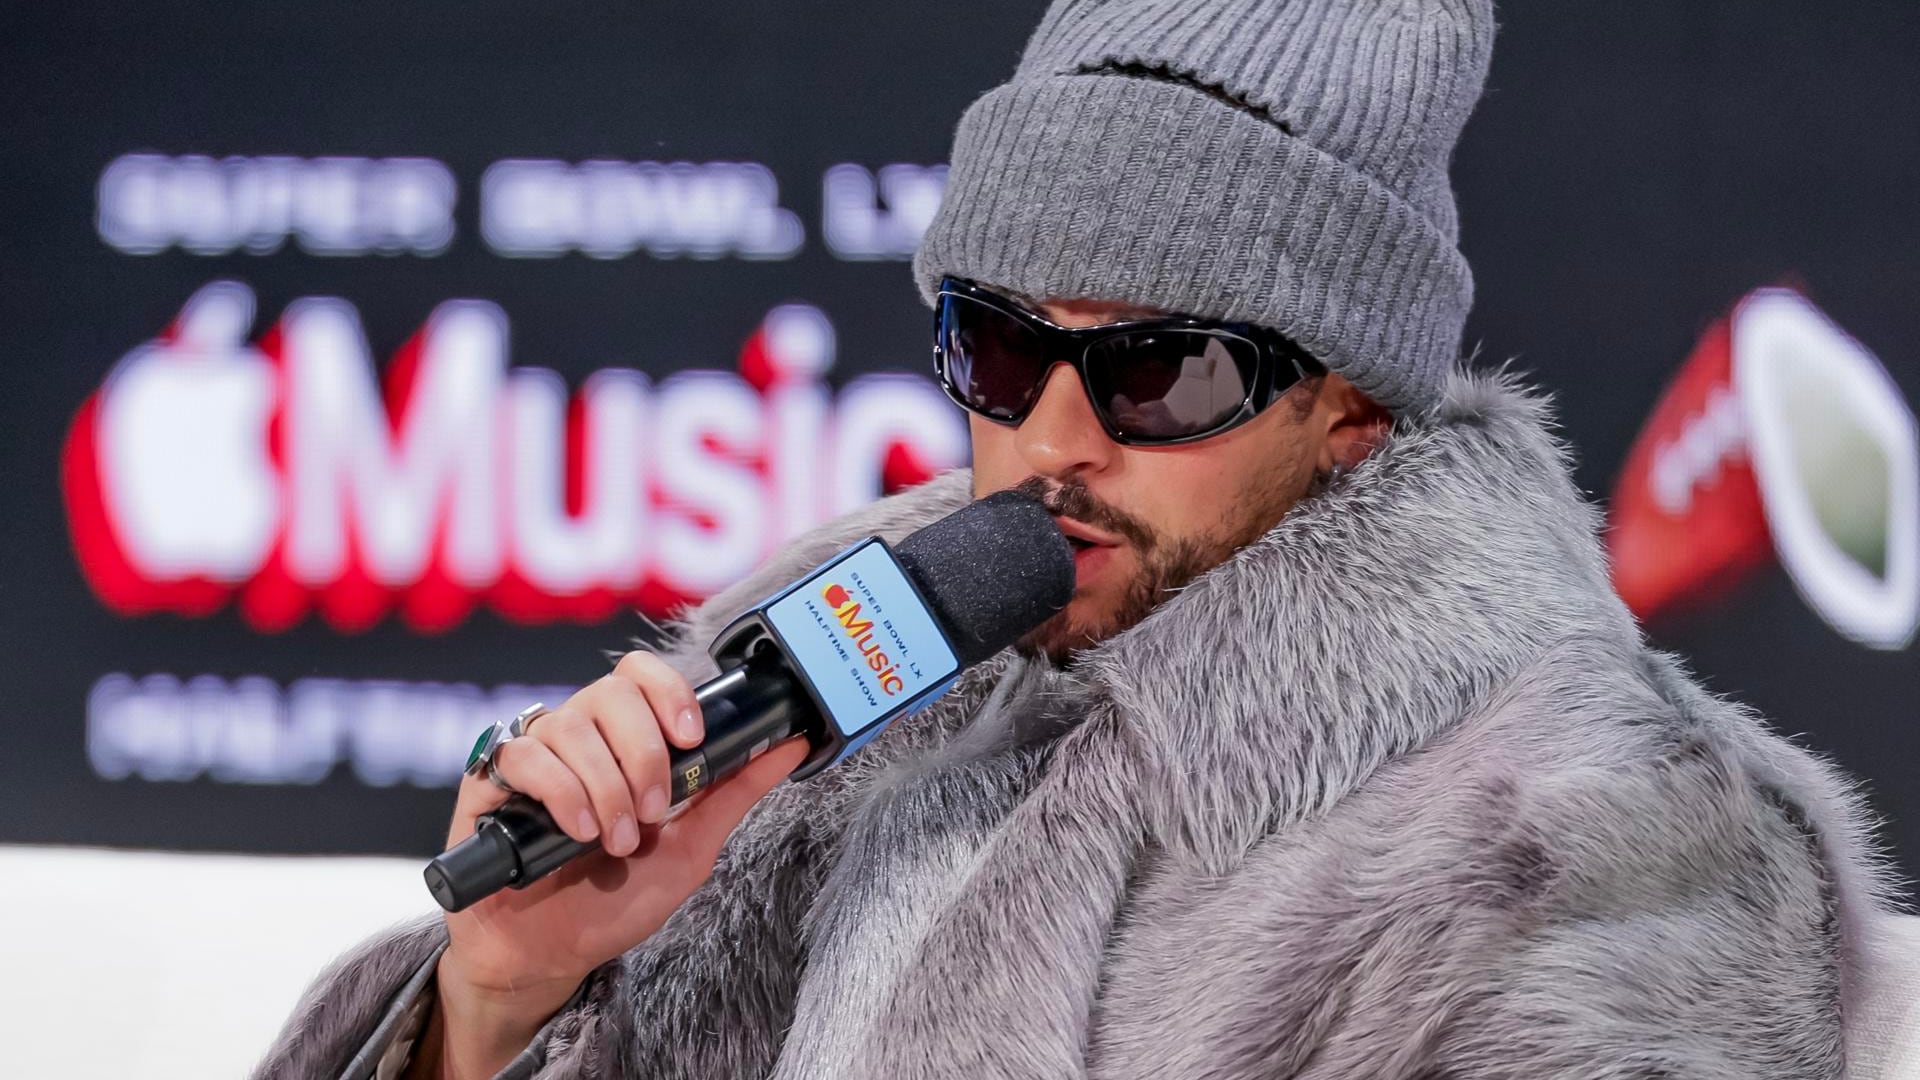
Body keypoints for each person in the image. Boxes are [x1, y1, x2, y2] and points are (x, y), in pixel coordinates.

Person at [259, 1, 1892, 1077]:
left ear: (1353, 411)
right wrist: (497, 1002)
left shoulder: (1604, 829)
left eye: (1156, 367)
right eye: (997, 349)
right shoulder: (834, 684)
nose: (1049, 440)